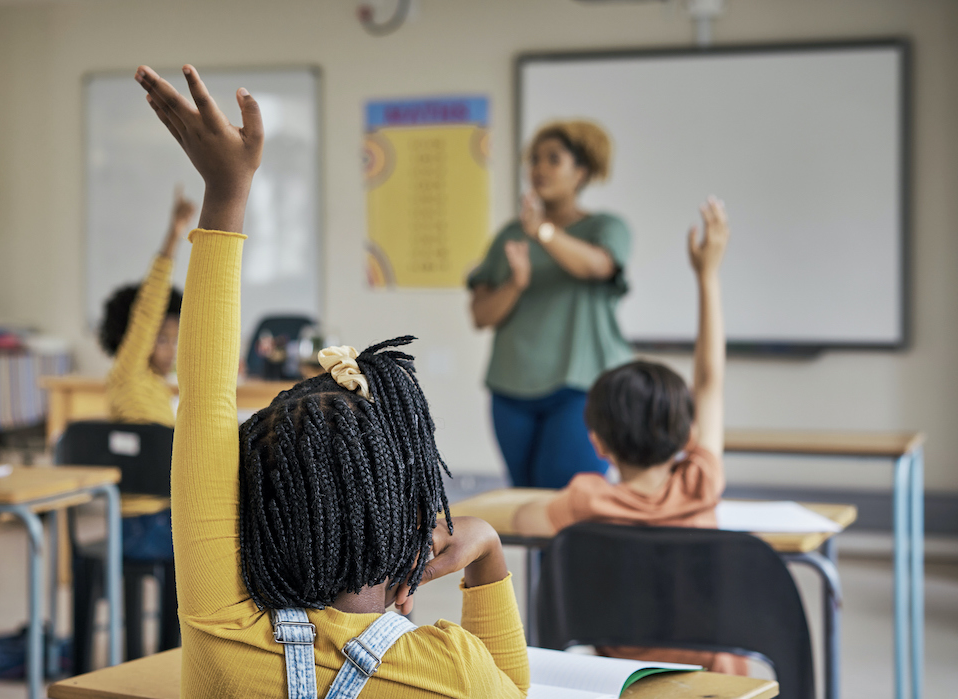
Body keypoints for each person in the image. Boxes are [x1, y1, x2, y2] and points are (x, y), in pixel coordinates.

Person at [135, 64, 529, 697]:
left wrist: (225, 191)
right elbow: (515, 690)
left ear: (250, 515)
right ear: (408, 509)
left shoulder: (220, 627)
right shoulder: (453, 670)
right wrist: (487, 556)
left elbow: (205, 401)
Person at [513, 197, 743, 674]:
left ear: (597, 442)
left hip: (626, 681)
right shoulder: (701, 480)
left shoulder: (586, 501)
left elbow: (525, 520)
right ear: (687, 432)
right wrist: (708, 277)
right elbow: (710, 381)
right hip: (718, 683)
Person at [468, 120, 633, 489]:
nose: (539, 169)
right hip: (511, 389)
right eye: (535, 160)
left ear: (581, 173)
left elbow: (597, 266)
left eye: (553, 159)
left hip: (581, 387)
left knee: (570, 502)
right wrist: (515, 283)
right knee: (524, 504)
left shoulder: (605, 228)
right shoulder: (510, 235)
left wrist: (542, 231)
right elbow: (481, 315)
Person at [97, 188, 196, 565]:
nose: (171, 348)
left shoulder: (156, 386)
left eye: (175, 338)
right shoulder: (128, 373)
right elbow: (149, 308)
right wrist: (174, 235)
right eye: (162, 339)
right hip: (140, 523)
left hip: (162, 517)